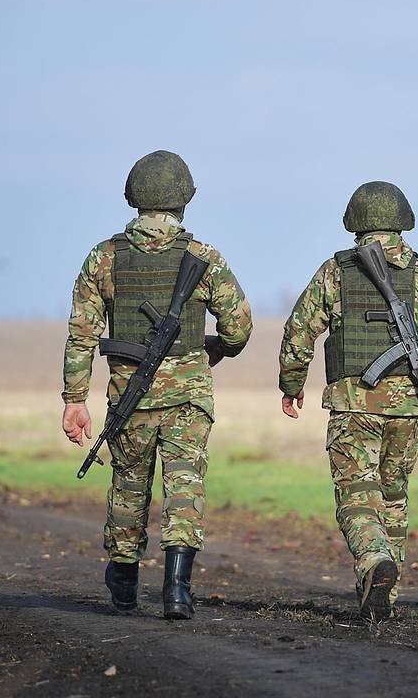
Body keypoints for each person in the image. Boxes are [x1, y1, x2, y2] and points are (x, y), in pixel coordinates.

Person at [61, 150, 252, 619]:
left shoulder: (104, 258)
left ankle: (124, 580)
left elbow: (82, 334)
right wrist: (211, 350)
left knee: (128, 487)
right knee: (184, 487)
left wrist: (74, 399)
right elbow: (240, 327)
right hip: (188, 398)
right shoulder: (204, 258)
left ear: (133, 198)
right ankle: (177, 590)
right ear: (185, 198)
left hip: (130, 398)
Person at [278, 181, 418, 621]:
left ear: (355, 223)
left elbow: (298, 332)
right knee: (394, 496)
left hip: (352, 405)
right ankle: (385, 593)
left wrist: (292, 385)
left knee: (357, 495)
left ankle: (373, 561)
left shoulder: (335, 271)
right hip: (408, 409)